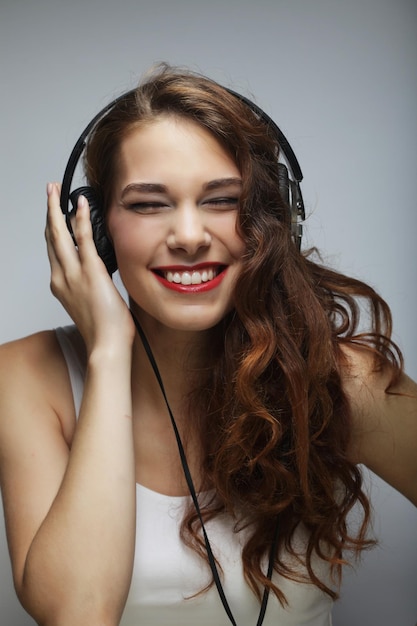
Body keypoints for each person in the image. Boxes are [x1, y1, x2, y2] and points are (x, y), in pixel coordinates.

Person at [0, 64, 416, 626]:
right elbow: (78, 613)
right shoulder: (24, 377)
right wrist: (108, 353)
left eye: (222, 200)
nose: (191, 237)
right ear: (95, 229)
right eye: (148, 204)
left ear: (271, 222)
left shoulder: (338, 377)